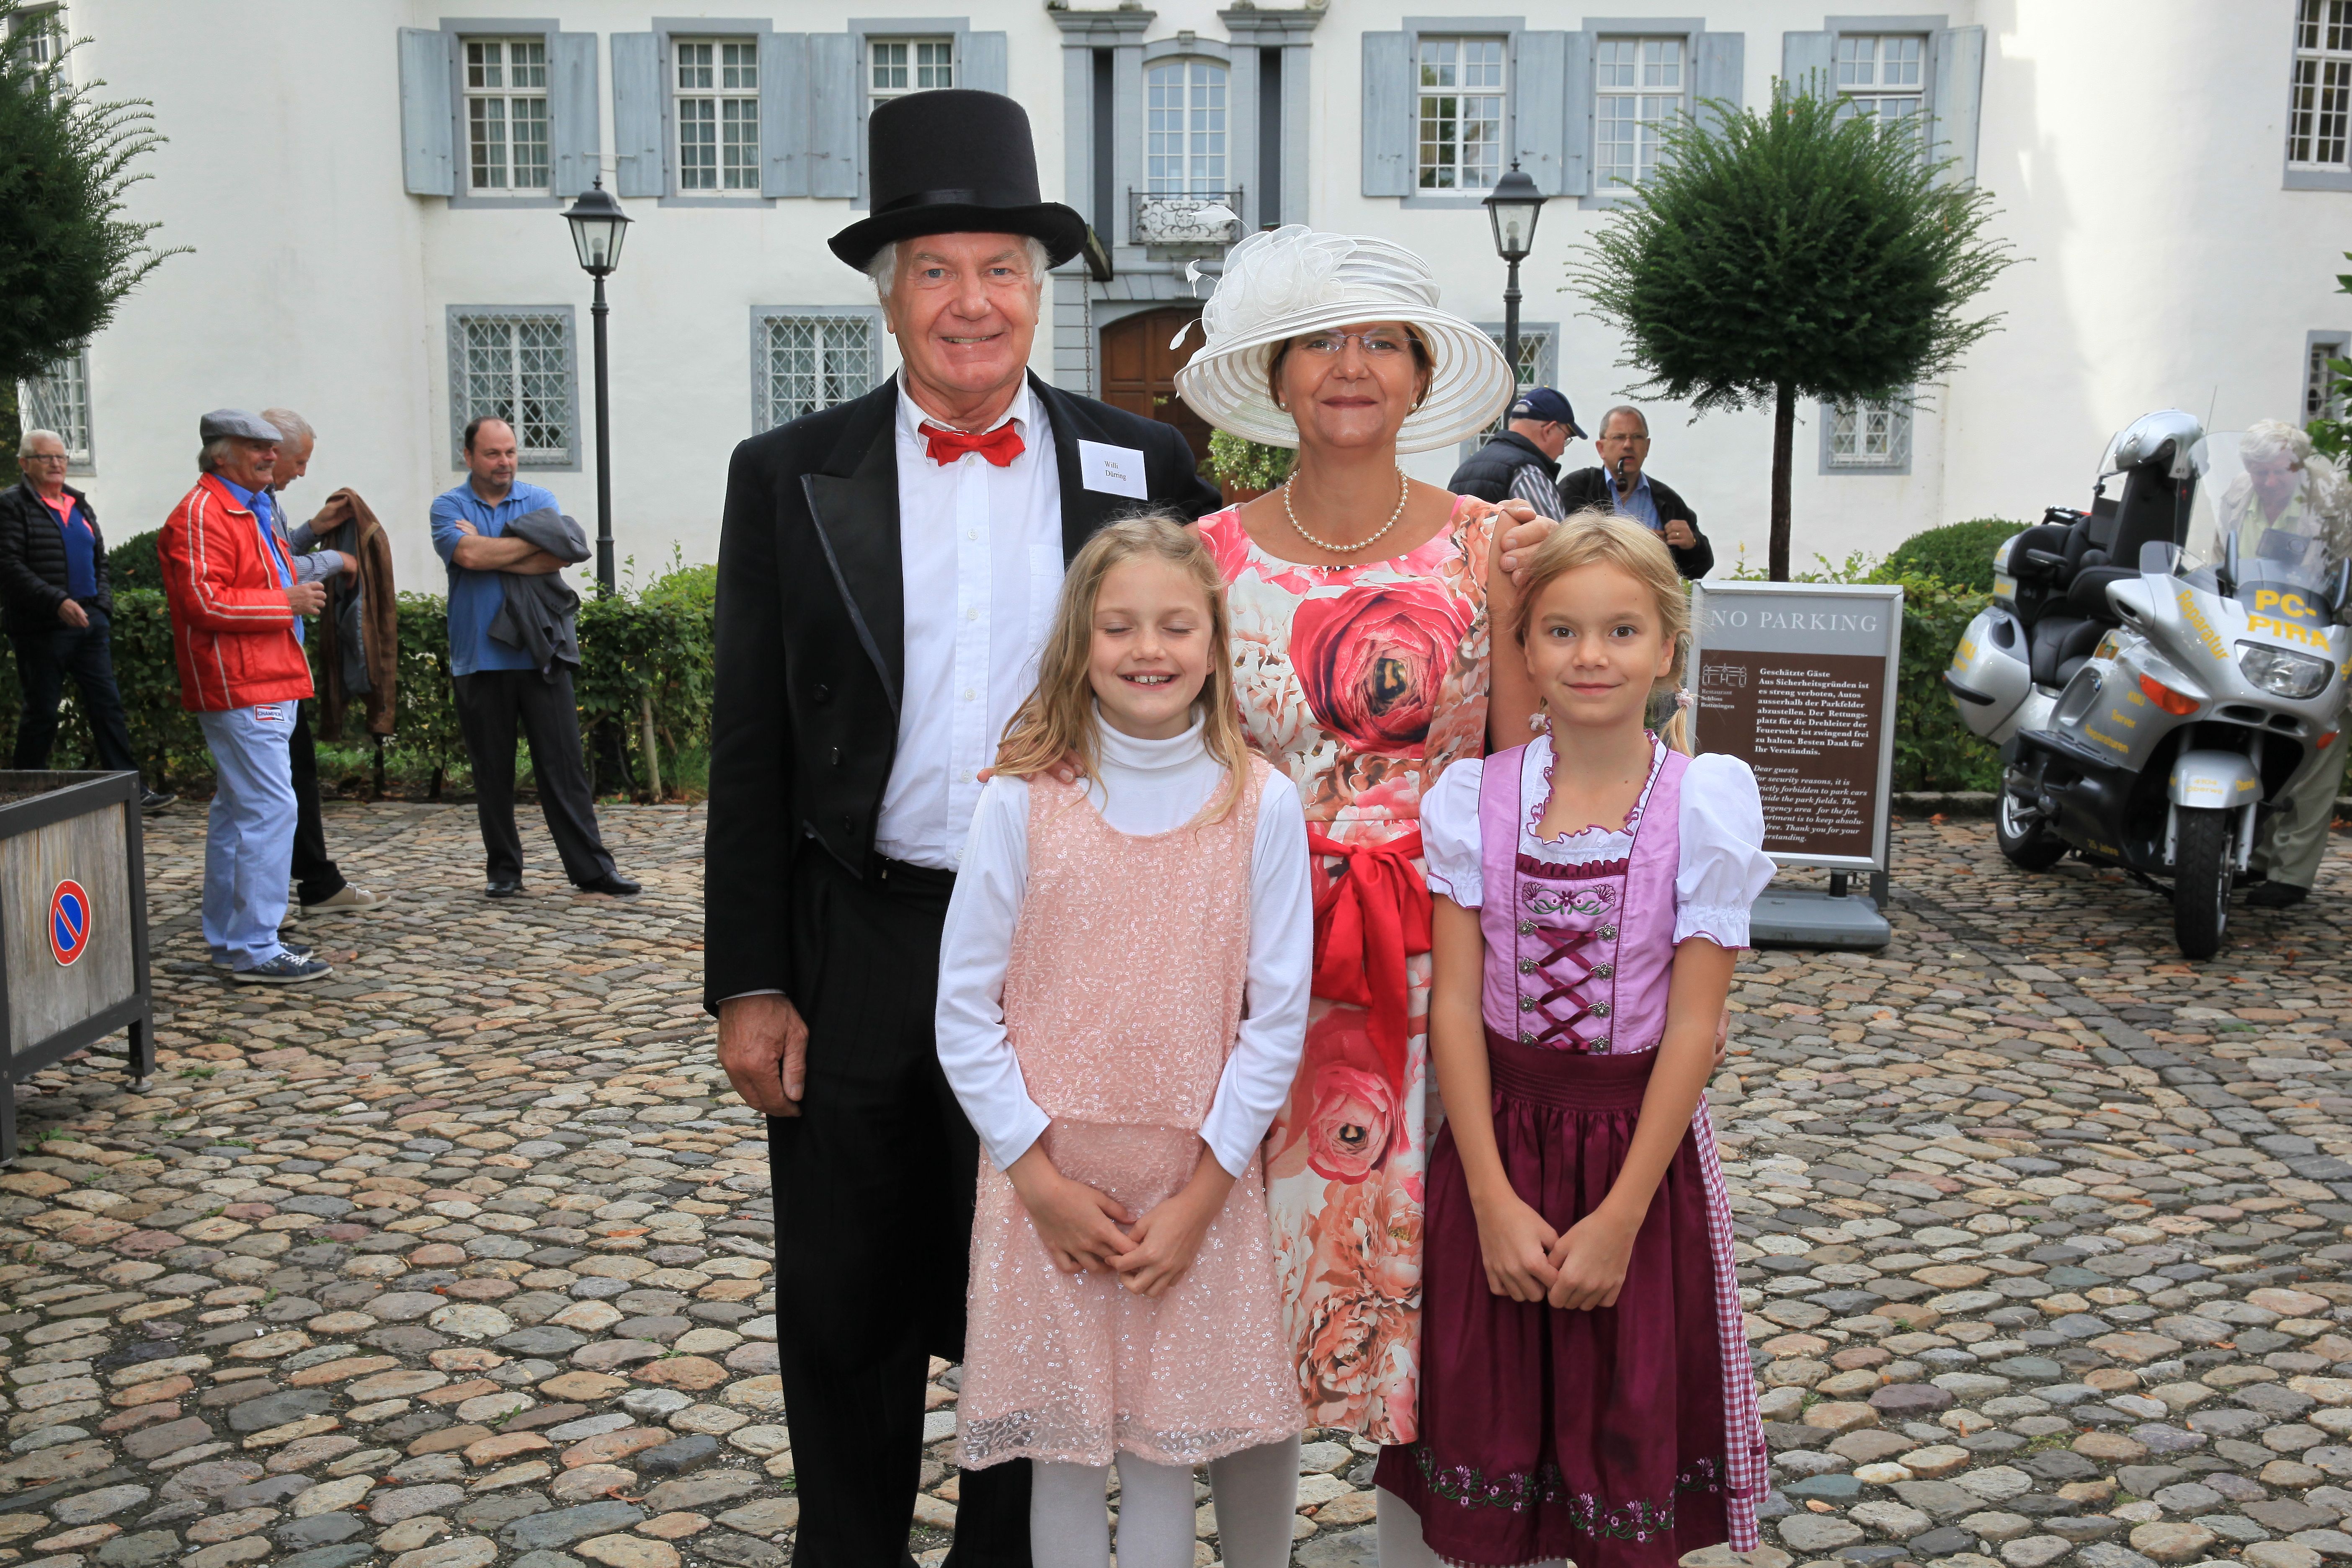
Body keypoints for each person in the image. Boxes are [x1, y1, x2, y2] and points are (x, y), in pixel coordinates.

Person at [703, 89, 1221, 1568]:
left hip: (1071, 943)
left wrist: (1479, 539)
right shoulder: (786, 474)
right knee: (846, 1284)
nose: (971, 302)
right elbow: (748, 744)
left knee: (1036, 1277)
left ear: (1039, 288)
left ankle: (1009, 1550)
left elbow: (1260, 614)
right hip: (859, 927)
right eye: (935, 270)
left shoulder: (1139, 462)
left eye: (999, 267)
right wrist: (748, 979)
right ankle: (849, 1547)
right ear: (889, 296)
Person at [1172, 225, 1538, 1468]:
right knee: (1248, 1291)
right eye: (1321, 340)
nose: (1351, 366)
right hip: (1255, 967)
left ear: (1422, 374)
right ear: (1276, 375)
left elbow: (1519, 773)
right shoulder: (1206, 560)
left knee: (1432, 1314)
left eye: (1382, 340)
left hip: (1438, 971)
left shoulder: (1489, 548)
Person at [1375, 511, 1772, 1568]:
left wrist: (1621, 1217)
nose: (1590, 656)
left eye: (1620, 631)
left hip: (1635, 1159)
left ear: (1666, 649)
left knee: (1621, 1421)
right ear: (1526, 648)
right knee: (1482, 1421)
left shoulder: (1706, 806)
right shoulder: (1475, 798)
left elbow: (1694, 1024)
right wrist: (1495, 1201)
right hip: (1495, 1145)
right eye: (1559, 631)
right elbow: (1454, 1006)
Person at [937, 518, 1312, 1568]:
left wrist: (1202, 1193)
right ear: (1080, 642)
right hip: (1048, 1187)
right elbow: (964, 1008)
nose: (1148, 647)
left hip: (1194, 1185)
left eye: (1175, 624)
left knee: (1162, 1450)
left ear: (1214, 641)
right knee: (1061, 1453)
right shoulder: (1021, 801)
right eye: (1119, 624)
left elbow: (1274, 1013)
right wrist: (1035, 1173)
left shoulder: (1260, 804)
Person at [430, 416, 637, 900]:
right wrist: (517, 548)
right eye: (492, 454)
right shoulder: (448, 506)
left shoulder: (539, 500)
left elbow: (558, 556)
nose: (504, 463)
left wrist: (490, 548)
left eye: (510, 453)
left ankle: (593, 870)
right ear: (469, 457)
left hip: (541, 650)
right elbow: (470, 559)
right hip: (478, 658)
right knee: (492, 773)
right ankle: (504, 870)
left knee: (564, 769)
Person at [158, 410, 333, 985]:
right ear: (220, 456)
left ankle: (235, 942)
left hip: (260, 679)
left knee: (238, 814)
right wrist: (287, 603)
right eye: (254, 447)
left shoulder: (244, 508)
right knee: (269, 809)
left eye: (269, 446)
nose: (268, 454)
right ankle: (256, 945)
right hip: (242, 682)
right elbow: (204, 604)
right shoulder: (205, 513)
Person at [258, 407, 389, 915]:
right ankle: (285, 898)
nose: (301, 472)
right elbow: (275, 571)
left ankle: (311, 879)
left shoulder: (264, 500)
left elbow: (278, 551)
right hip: (263, 666)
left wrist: (316, 528)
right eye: (299, 461)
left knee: (294, 773)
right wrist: (339, 560)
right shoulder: (240, 504)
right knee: (281, 784)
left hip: (279, 658)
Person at [0, 430, 172, 812]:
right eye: (46, 458)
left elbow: (101, 560)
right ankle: (24, 793)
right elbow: (9, 565)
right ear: (25, 463)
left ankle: (130, 789)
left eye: (61, 457)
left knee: (106, 705)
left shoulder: (78, 504)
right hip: (42, 627)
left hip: (90, 621)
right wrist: (57, 601)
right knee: (42, 710)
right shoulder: (12, 505)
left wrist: (103, 606)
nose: (57, 464)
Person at [2221, 419, 2352, 910]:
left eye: (2278, 472)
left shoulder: (2337, 501)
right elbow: (2221, 558)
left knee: (2316, 761)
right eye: (2259, 472)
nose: (2269, 483)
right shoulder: (2237, 494)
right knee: (2262, 748)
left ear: (2298, 465)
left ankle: (2291, 875)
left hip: (2324, 638)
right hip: (2255, 637)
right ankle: (2251, 859)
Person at [1558, 405, 1714, 580]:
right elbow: (1564, 551)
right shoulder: (1579, 488)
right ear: (1601, 448)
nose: (1628, 445)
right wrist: (1641, 543)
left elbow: (1699, 569)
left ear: (1647, 447)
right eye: (1619, 437)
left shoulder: (1667, 500)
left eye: (1637, 437)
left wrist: (1692, 544)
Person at [1447, 387, 1583, 518]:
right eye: (1565, 438)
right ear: (1549, 430)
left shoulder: (1465, 469)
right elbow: (1555, 539)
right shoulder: (1527, 472)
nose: (1562, 451)